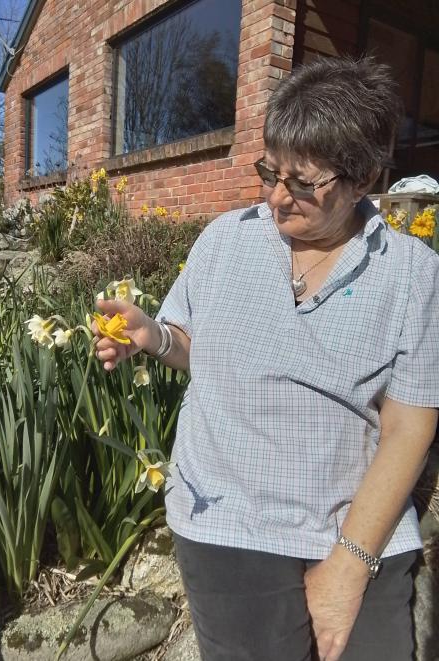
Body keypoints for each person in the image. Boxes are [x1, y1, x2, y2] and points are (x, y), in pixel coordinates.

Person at [93, 56, 439, 661]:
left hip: (353, 521)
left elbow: (411, 425)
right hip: (230, 520)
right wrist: (156, 337)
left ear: (361, 180)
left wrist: (350, 565)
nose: (277, 197)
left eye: (303, 183)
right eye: (269, 171)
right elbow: (207, 355)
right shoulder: (227, 241)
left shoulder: (412, 274)